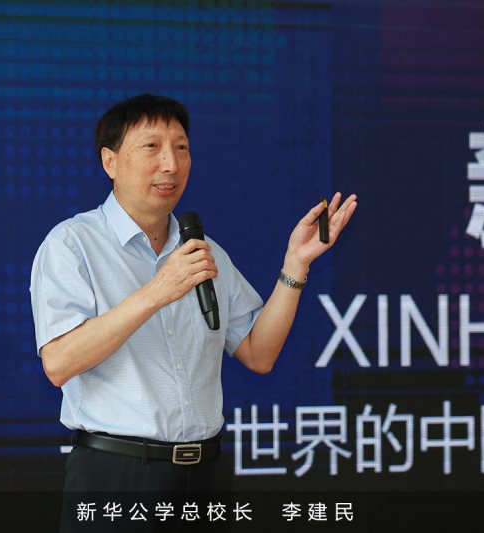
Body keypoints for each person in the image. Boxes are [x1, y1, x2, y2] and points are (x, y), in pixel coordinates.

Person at [30, 94, 357, 531]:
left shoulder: (202, 250)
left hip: (205, 477)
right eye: (152, 147)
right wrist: (156, 292)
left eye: (181, 148)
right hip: (118, 476)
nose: (171, 163)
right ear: (110, 161)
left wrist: (295, 265)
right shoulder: (73, 244)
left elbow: (259, 353)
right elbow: (59, 362)